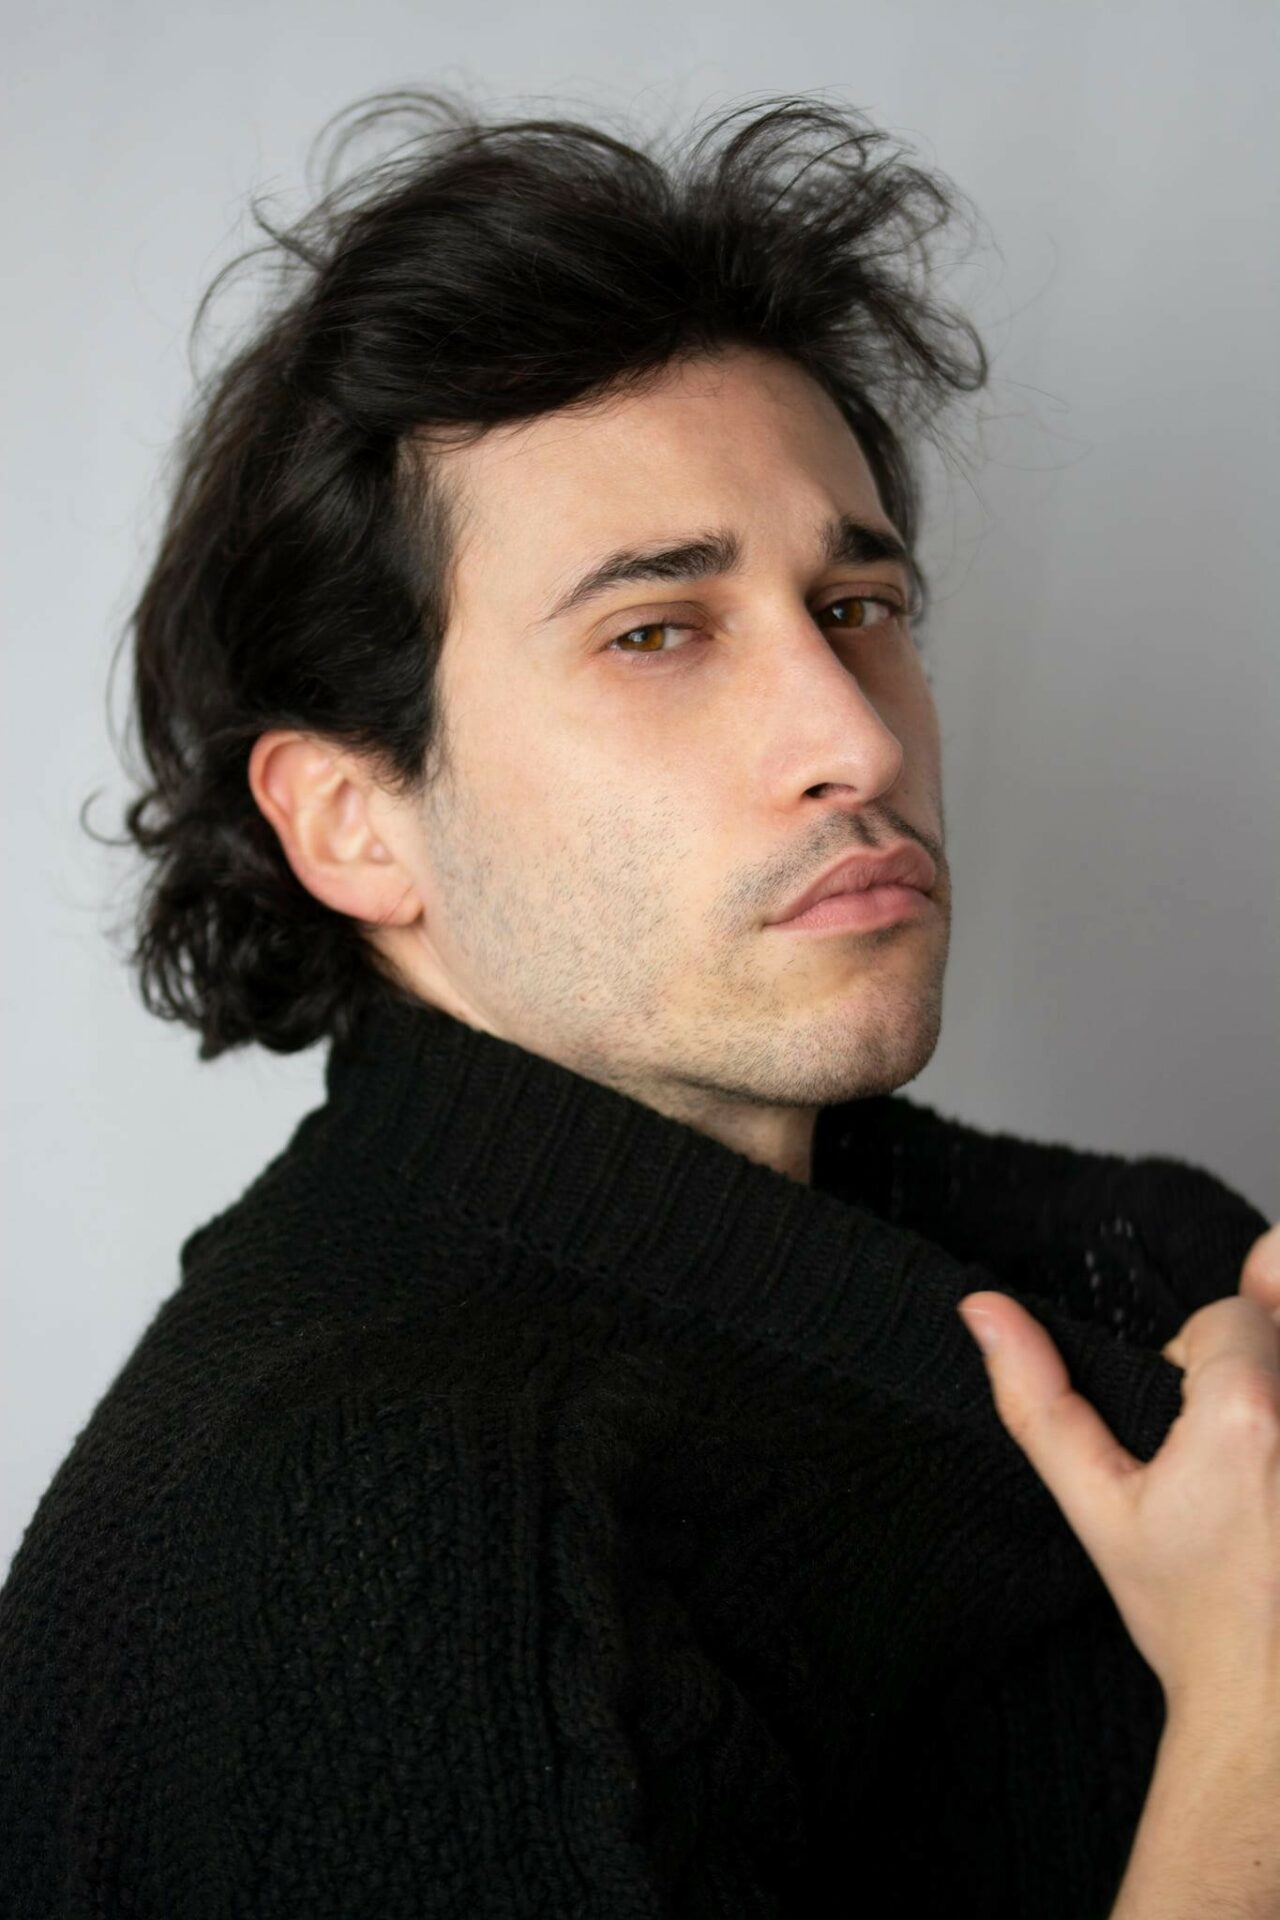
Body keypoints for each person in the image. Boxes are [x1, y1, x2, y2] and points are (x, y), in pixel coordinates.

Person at [0, 89, 1275, 1919]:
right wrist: (1255, 1731)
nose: (853, 742)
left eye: (858, 603)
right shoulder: (372, 1529)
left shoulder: (1154, 1265)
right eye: (656, 633)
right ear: (354, 821)